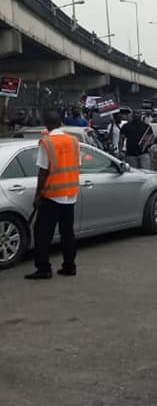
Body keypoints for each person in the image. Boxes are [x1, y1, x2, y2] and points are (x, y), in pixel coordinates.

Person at [25, 110, 81, 280]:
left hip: (52, 194)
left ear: (47, 124)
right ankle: (69, 266)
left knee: (42, 233)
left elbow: (42, 172)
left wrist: (37, 196)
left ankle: (43, 269)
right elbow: (77, 165)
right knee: (67, 232)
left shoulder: (47, 142)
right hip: (70, 194)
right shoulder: (74, 141)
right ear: (60, 123)